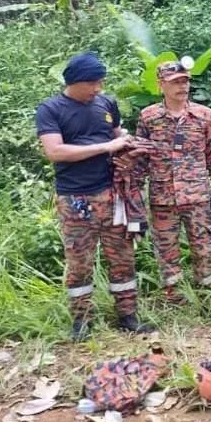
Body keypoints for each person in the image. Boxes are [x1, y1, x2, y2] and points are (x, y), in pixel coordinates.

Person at [35, 51, 152, 340]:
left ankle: (128, 316)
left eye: (100, 83)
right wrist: (104, 148)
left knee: (122, 257)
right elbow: (54, 151)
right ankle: (81, 322)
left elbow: (115, 134)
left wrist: (127, 144)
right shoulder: (51, 109)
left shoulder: (106, 103)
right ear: (75, 81)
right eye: (92, 84)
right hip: (75, 200)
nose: (98, 89)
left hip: (112, 194)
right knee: (79, 261)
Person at [132, 61, 211, 302]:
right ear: (161, 84)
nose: (182, 86)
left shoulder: (203, 115)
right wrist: (134, 197)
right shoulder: (149, 117)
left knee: (204, 249)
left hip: (197, 196)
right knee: (166, 251)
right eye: (175, 82)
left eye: (185, 81)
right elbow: (141, 158)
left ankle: (206, 297)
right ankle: (174, 299)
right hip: (163, 197)